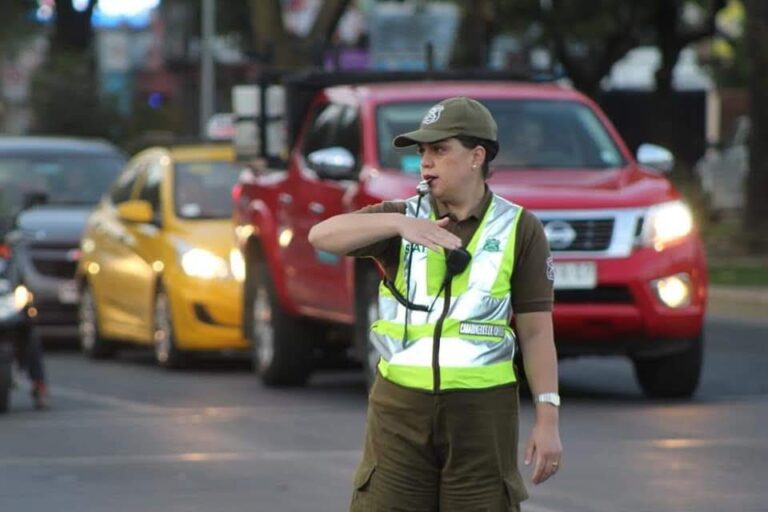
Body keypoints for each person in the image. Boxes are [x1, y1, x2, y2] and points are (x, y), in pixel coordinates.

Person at [309, 96, 562, 511]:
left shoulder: (520, 227)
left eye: (440, 150)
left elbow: (536, 333)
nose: (426, 162)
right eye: (422, 151)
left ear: (477, 156)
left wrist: (547, 419)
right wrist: (397, 224)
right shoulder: (403, 216)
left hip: (483, 415)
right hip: (400, 410)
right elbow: (321, 236)